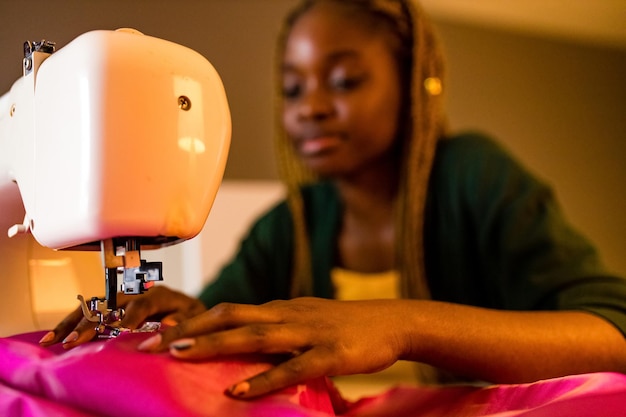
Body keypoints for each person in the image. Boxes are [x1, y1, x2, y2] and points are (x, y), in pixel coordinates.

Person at [40, 0, 626, 400]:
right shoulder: (288, 226)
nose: (310, 106)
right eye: (293, 88)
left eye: (344, 81)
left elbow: (613, 335)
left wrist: (400, 326)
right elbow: (217, 326)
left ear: (416, 82)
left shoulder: (474, 177)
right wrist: (175, 316)